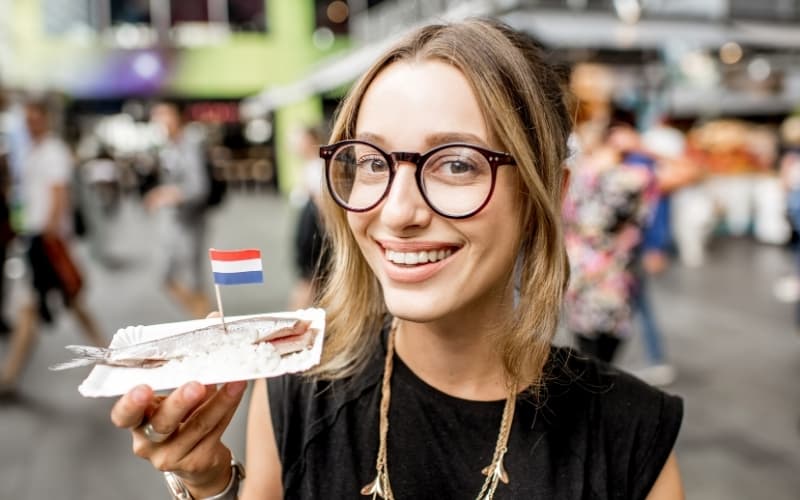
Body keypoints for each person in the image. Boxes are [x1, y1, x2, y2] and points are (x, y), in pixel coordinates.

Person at [110, 19, 684, 499]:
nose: (398, 211)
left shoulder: (631, 436)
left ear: (546, 195)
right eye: (373, 162)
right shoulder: (297, 396)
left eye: (456, 163)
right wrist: (208, 482)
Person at [0, 98, 104, 392]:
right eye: (27, 119)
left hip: (46, 239)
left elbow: (59, 194)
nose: (31, 124)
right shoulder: (32, 151)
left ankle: (10, 376)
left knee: (62, 301)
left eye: (35, 118)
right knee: (37, 306)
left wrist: (49, 234)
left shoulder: (53, 152)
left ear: (45, 119)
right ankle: (10, 376)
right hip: (35, 236)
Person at [146, 101, 211, 319]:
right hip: (175, 223)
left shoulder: (189, 145)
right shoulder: (170, 146)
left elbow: (199, 188)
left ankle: (205, 323)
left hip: (190, 221)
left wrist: (167, 194)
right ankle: (202, 320)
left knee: (193, 280)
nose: (160, 121)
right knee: (167, 277)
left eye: (164, 115)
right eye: (156, 116)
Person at [288, 124, 328, 310]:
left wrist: (328, 233)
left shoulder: (317, 167)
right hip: (309, 226)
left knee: (308, 279)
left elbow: (322, 204)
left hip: (313, 229)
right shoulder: (311, 166)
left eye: (300, 139)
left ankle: (295, 320)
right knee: (312, 280)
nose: (295, 144)